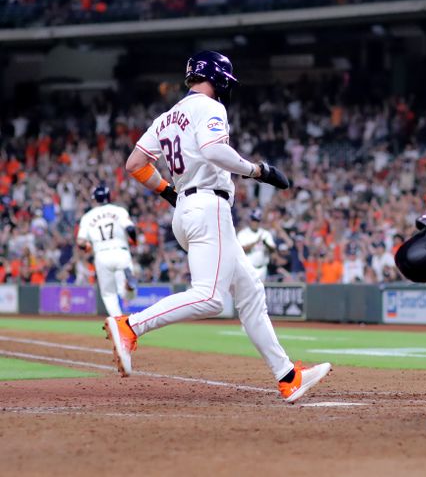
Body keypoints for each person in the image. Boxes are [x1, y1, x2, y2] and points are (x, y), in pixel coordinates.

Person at [104, 50, 330, 402]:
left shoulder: (166, 117)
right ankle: (130, 326)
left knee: (251, 292)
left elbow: (135, 164)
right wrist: (259, 171)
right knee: (210, 297)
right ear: (218, 77)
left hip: (188, 207)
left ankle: (288, 376)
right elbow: (212, 150)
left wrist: (167, 191)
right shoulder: (210, 107)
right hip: (209, 205)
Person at [76, 185, 137, 317]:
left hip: (102, 254)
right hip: (121, 252)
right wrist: (134, 242)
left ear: (95, 199)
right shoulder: (119, 211)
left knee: (109, 295)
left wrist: (88, 247)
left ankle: (119, 324)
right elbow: (131, 229)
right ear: (109, 197)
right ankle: (129, 286)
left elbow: (80, 242)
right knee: (127, 295)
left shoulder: (88, 216)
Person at [236, 208, 276, 281]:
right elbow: (241, 250)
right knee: (248, 291)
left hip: (262, 268)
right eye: (253, 220)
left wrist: (265, 243)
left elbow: (273, 250)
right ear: (250, 221)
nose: (255, 223)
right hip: (248, 268)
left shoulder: (265, 233)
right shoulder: (243, 234)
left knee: (262, 291)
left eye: (257, 221)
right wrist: (255, 242)